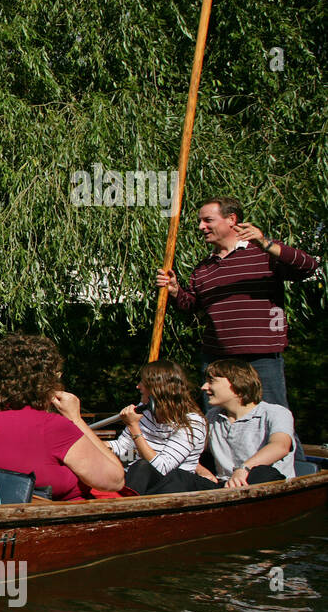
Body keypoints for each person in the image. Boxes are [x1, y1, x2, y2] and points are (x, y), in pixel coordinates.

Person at [156, 197, 319, 413]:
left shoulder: (263, 254)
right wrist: (176, 291)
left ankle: (286, 449)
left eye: (208, 220)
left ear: (231, 219)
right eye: (200, 221)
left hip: (261, 355)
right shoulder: (204, 268)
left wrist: (267, 243)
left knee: (273, 418)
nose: (201, 227)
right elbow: (191, 306)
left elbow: (308, 266)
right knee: (218, 420)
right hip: (217, 357)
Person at [0, 334, 124, 500]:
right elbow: (114, 480)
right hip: (57, 521)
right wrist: (76, 420)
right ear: (45, 381)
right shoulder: (53, 426)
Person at [139, 359, 297, 494]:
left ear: (236, 383)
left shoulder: (274, 412)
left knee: (263, 471)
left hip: (265, 483)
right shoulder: (213, 417)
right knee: (176, 475)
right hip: (224, 486)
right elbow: (191, 451)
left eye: (211, 381)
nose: (204, 387)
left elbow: (280, 446)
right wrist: (200, 470)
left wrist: (244, 469)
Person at [110, 360, 207, 494]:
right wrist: (89, 444)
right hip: (140, 481)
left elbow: (161, 466)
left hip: (173, 487)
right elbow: (122, 447)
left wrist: (133, 426)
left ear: (157, 387)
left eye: (143, 382)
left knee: (142, 466)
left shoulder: (192, 422)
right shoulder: (145, 412)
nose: (138, 386)